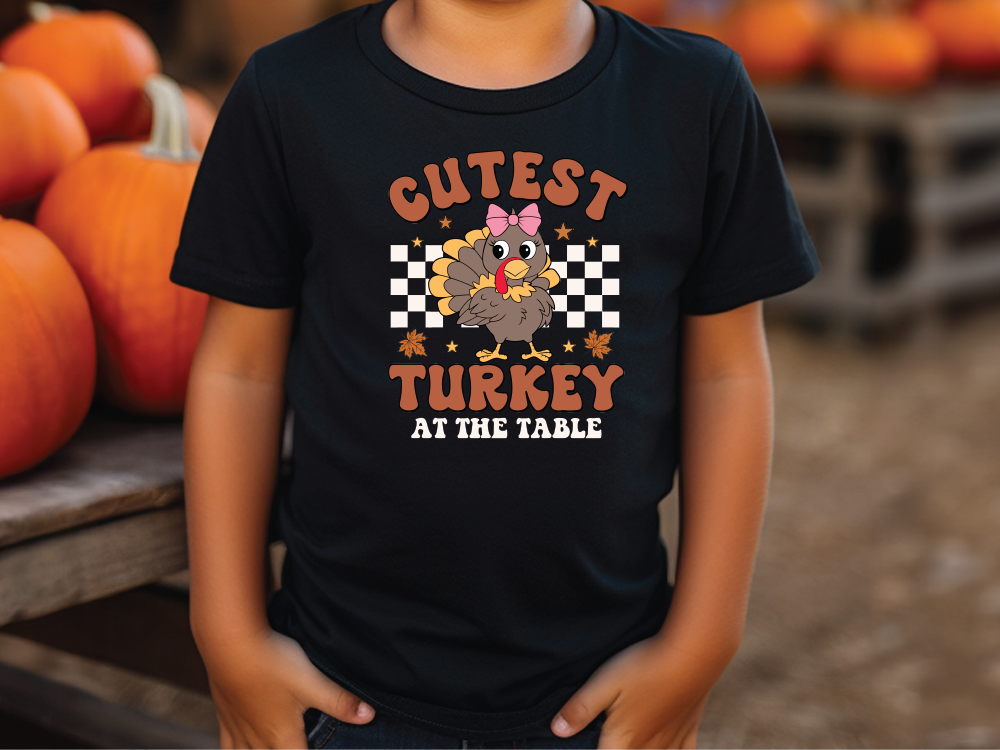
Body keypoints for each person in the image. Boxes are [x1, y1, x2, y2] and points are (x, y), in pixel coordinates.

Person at [168, 0, 822, 746]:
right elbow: (240, 371)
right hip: (345, 692)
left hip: (601, 699)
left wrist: (703, 641)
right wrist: (227, 634)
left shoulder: (696, 93)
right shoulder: (290, 93)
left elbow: (726, 374)